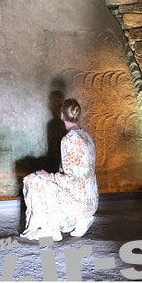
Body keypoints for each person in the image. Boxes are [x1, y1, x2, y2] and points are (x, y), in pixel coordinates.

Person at [21, 98, 98, 241]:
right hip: (91, 202)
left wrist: (49, 176)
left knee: (34, 180)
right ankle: (82, 220)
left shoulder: (68, 140)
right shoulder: (87, 136)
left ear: (62, 115)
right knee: (45, 179)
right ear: (77, 114)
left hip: (78, 203)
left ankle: (51, 230)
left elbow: (71, 180)